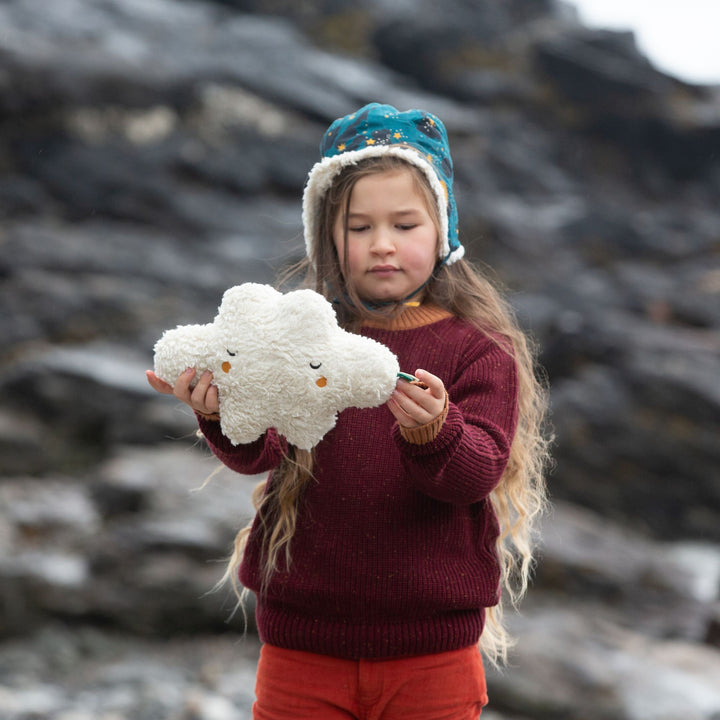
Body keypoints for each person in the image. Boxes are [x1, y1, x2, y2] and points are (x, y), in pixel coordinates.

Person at [147, 102, 551, 719]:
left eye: (405, 225)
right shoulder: (300, 336)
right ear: (328, 238)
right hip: (302, 644)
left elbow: (477, 475)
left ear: (442, 229)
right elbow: (259, 452)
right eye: (359, 228)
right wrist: (219, 412)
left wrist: (436, 432)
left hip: (432, 653)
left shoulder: (476, 350)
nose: (382, 245)